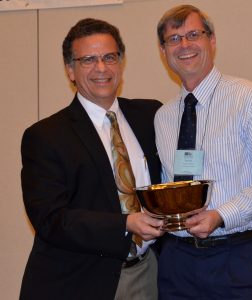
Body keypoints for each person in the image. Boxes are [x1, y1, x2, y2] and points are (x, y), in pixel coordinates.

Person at [154, 4, 252, 300]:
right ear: (163, 51)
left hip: (241, 260)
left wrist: (221, 215)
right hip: (178, 264)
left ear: (212, 40)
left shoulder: (249, 99)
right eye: (174, 39)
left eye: (194, 34)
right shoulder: (163, 117)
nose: (185, 45)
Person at [20, 18, 164, 300]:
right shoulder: (45, 136)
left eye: (109, 57)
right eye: (88, 60)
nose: (101, 68)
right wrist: (125, 224)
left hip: (147, 275)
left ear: (121, 63)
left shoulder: (151, 117)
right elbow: (50, 219)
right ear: (70, 70)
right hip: (79, 281)